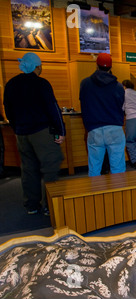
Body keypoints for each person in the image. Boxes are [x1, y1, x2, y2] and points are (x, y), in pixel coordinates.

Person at [3, 52, 65, 215]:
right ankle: (49, 205)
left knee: (29, 169)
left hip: (22, 133)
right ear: (38, 66)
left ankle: (32, 204)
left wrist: (17, 128)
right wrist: (60, 131)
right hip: (41, 132)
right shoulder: (41, 84)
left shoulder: (11, 84)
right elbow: (53, 108)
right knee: (50, 165)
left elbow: (8, 110)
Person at [79, 53, 126, 177]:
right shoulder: (118, 86)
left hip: (94, 129)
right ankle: (118, 195)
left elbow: (83, 105)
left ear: (96, 65)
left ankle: (95, 195)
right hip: (115, 128)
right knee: (118, 168)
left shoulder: (85, 84)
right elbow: (121, 106)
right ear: (111, 67)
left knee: (94, 168)